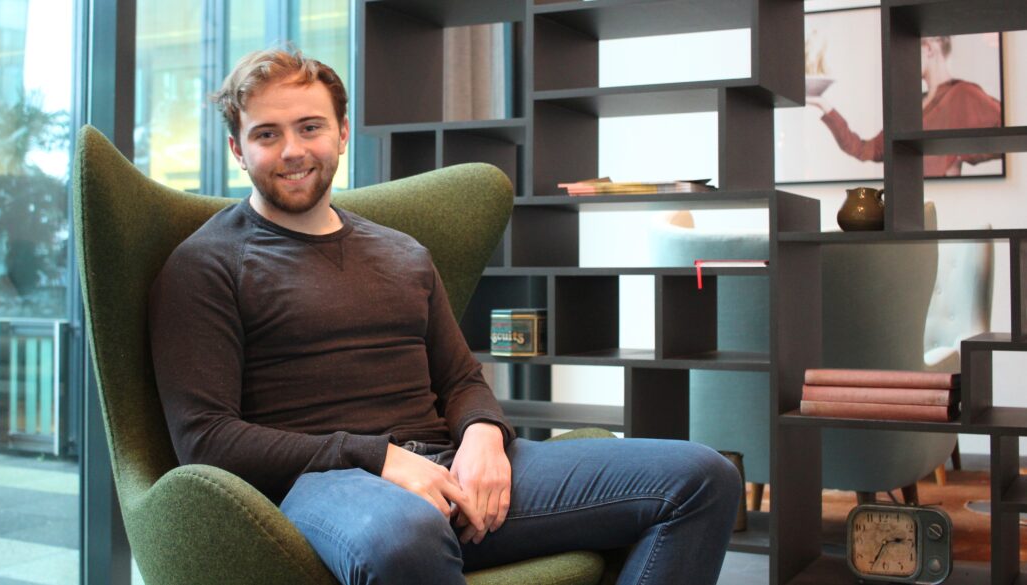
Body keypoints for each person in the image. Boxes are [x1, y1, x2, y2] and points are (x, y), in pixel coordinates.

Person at [149, 47, 742, 585]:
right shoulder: (206, 264)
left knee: (702, 477)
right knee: (404, 536)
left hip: (451, 465)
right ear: (237, 149)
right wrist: (379, 458)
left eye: (310, 127)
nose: (293, 150)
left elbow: (460, 379)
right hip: (327, 486)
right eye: (266, 134)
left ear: (342, 132)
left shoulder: (401, 252)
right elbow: (207, 439)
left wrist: (484, 434)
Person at [807, 36, 1002, 177]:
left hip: (948, 204)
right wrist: (823, 104)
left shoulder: (964, 93)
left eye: (909, 52)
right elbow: (863, 150)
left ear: (928, 48)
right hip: (910, 204)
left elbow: (1006, 129)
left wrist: (959, 155)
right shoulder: (911, 106)